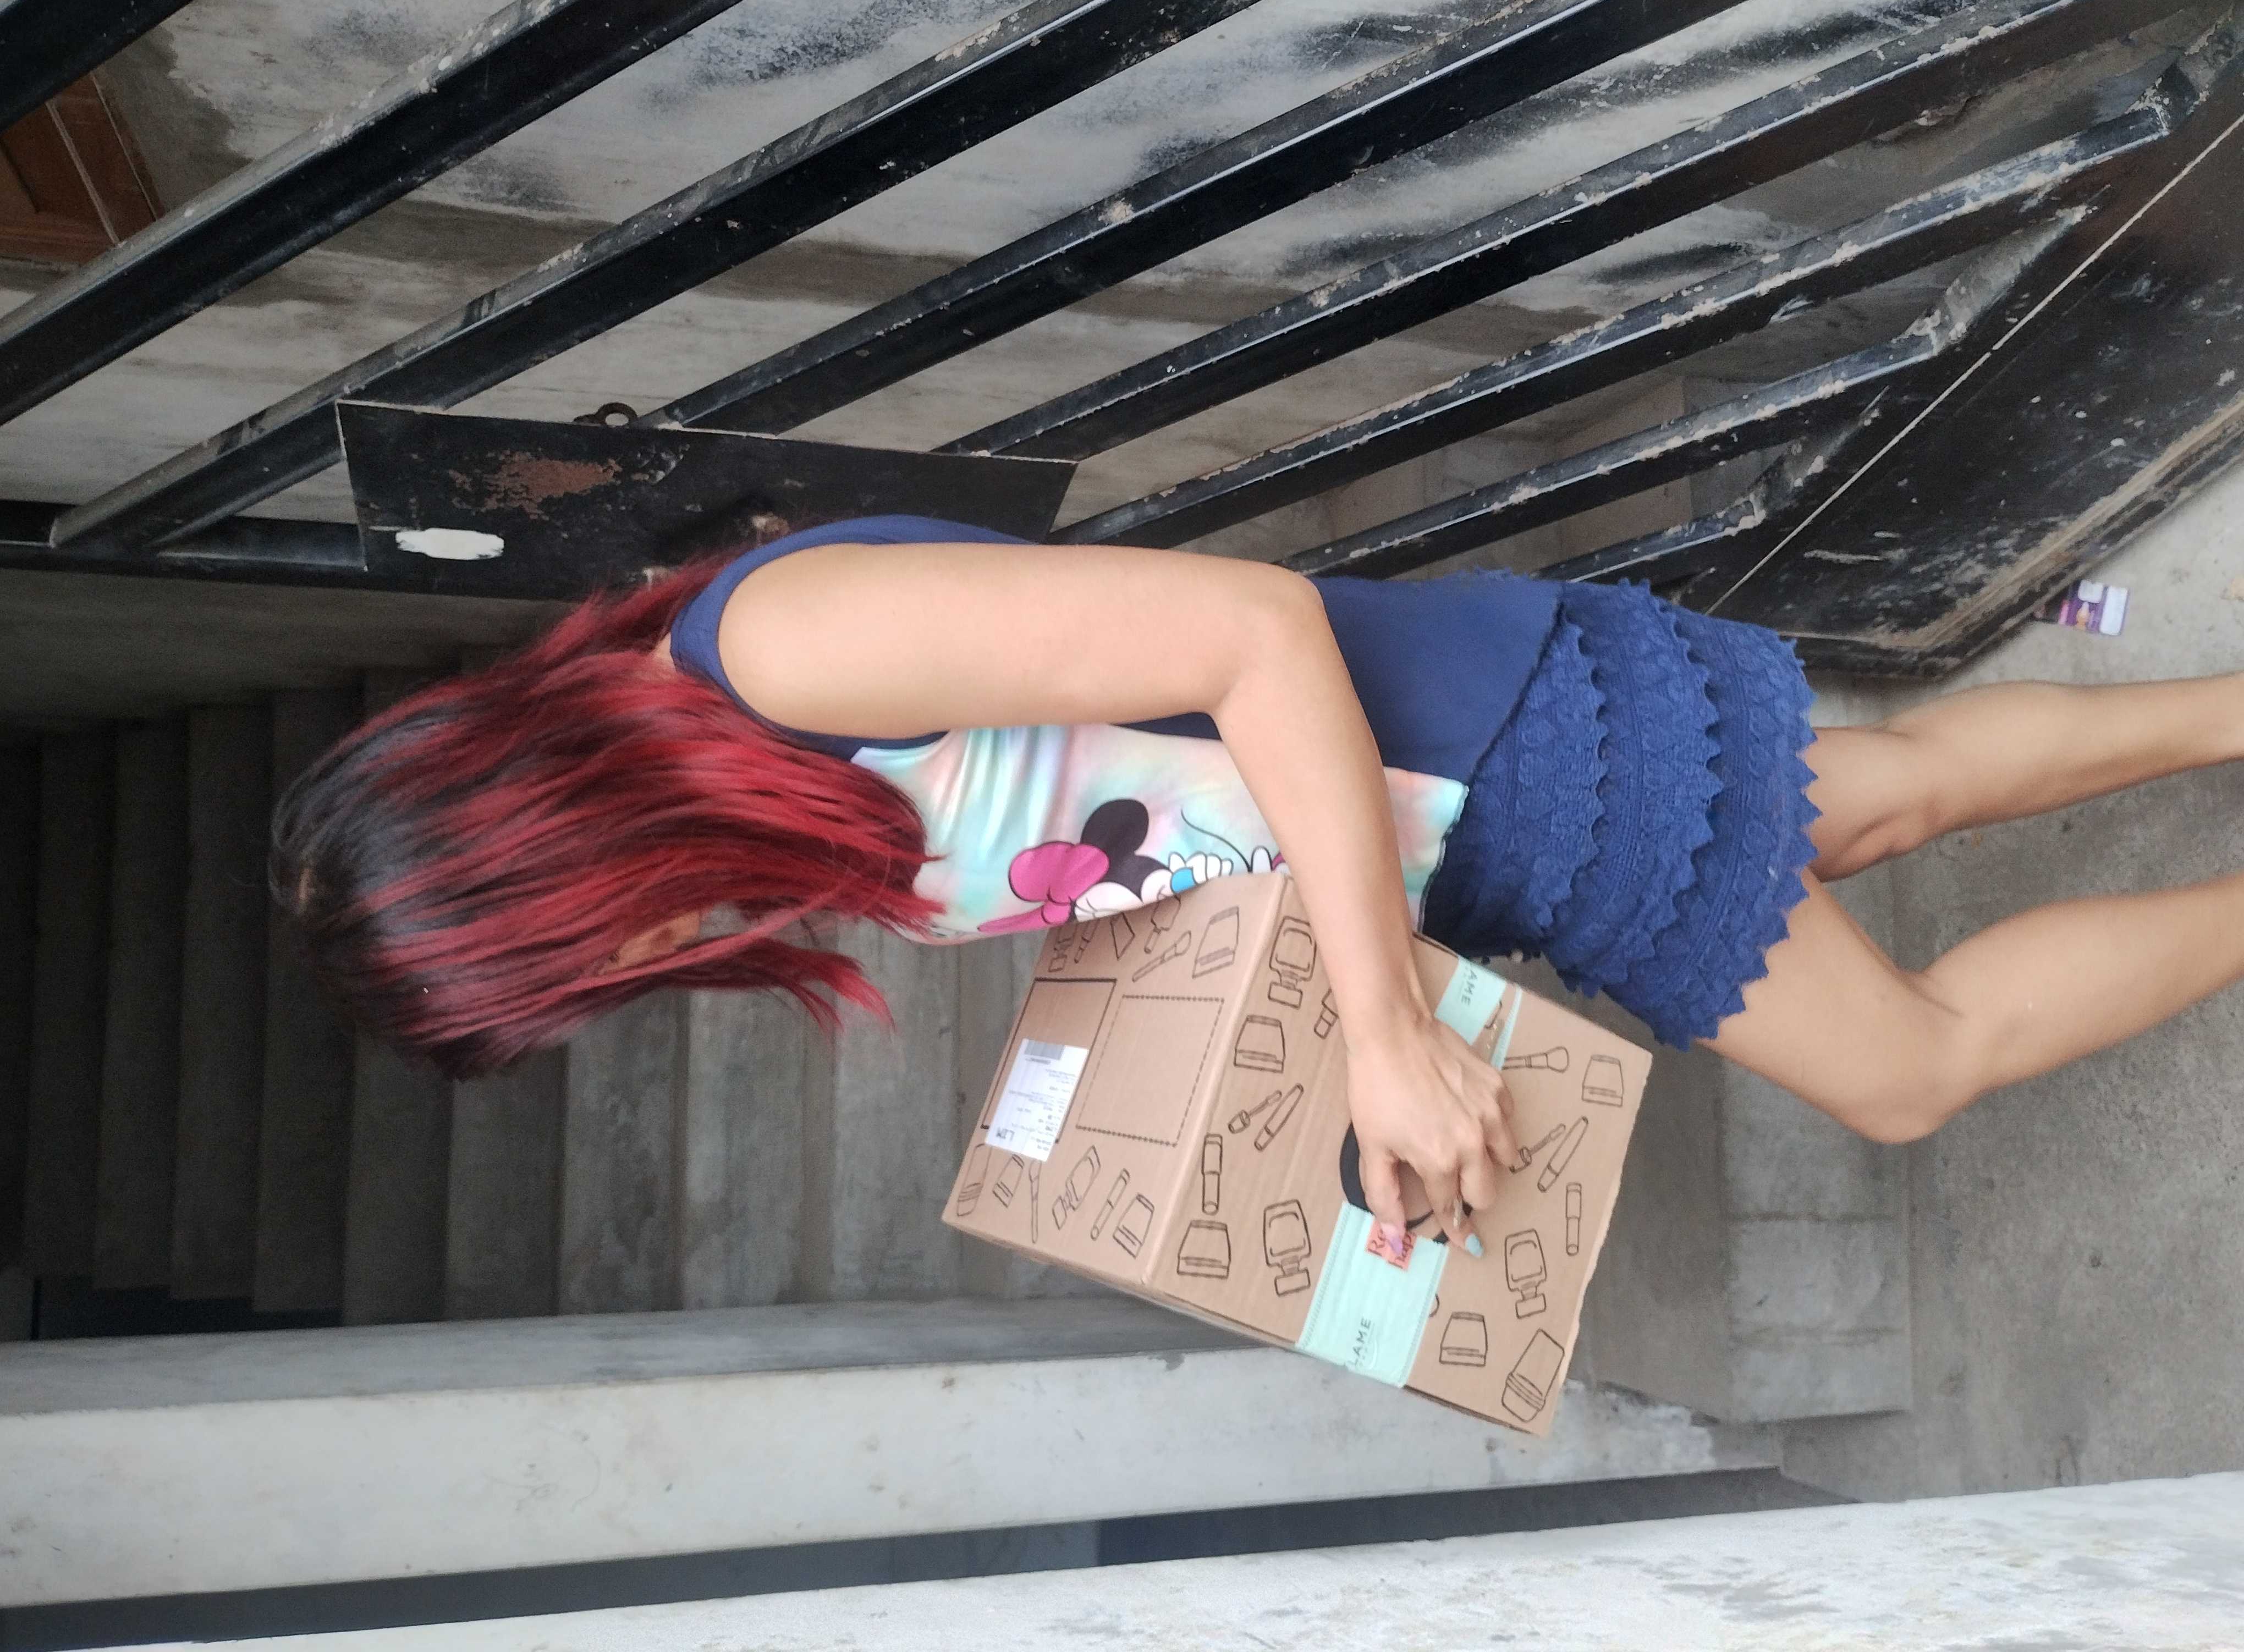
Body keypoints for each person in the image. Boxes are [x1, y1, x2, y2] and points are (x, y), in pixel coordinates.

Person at [274, 515, 2244, 1262]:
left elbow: (1247, 629)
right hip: (1449, 803)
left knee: (1906, 1070)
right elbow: (1121, 807)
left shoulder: (778, 652)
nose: (627, 976)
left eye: (570, 966)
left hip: (1489, 756)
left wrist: (1383, 1033)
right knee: (1871, 803)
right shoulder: (739, 781)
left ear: (538, 849)